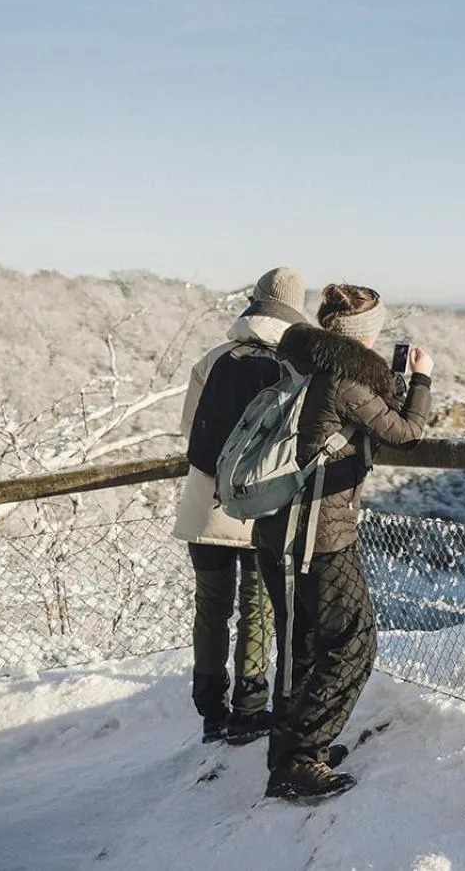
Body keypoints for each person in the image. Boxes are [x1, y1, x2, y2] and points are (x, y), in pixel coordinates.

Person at [255, 284, 433, 802]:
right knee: (354, 642)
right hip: (320, 532)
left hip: (277, 525)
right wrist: (421, 378)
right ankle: (299, 758)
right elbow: (406, 431)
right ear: (361, 334)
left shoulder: (298, 364)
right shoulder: (342, 379)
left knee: (307, 641)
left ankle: (291, 749)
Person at [172, 267, 305, 744]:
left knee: (210, 609)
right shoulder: (290, 368)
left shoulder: (213, 358)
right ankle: (249, 708)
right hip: (257, 506)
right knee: (258, 607)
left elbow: (190, 428)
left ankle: (211, 710)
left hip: (202, 504)